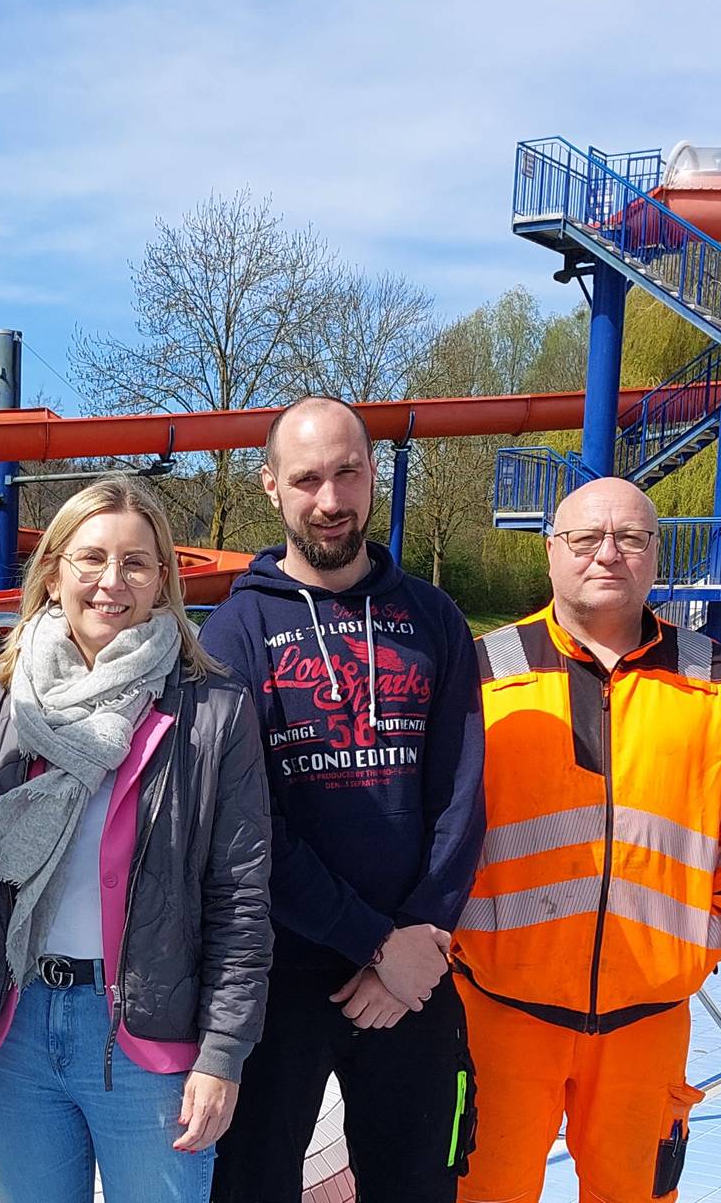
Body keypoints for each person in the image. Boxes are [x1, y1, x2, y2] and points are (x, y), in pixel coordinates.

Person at [0, 476, 273, 1203]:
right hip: (15, 1030)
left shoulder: (213, 713)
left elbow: (239, 902)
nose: (112, 581)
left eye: (137, 563)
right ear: (54, 572)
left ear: (162, 583)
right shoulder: (0, 708)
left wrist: (222, 1057)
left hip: (146, 1040)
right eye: (91, 559)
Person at [452, 477, 721, 1203]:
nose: (608, 554)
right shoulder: (482, 671)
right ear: (551, 554)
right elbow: (435, 827)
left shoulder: (714, 679)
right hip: (503, 1011)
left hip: (648, 1018)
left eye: (630, 538)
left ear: (655, 554)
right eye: (585, 538)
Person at [203, 396, 488, 1203]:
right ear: (270, 488)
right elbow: (247, 826)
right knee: (251, 1185)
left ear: (372, 474)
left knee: (418, 1184)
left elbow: (461, 795)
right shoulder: (235, 633)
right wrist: (373, 943)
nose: (330, 500)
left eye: (347, 472)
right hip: (277, 974)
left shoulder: (432, 617)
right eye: (307, 480)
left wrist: (418, 944)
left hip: (415, 968)